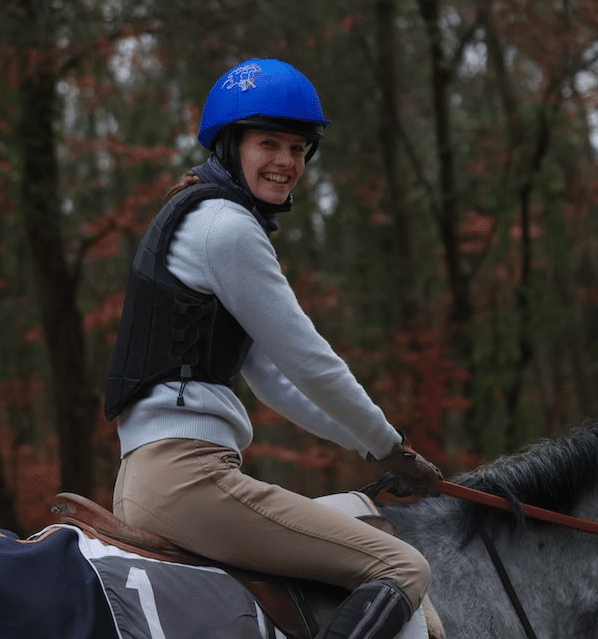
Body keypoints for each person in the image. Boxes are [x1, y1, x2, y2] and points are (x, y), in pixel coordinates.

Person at [105, 58, 441, 639]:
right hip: (190, 480)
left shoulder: (201, 220)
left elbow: (274, 380)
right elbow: (308, 361)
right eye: (269, 143)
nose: (287, 162)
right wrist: (388, 444)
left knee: (360, 524)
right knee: (402, 565)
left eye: (298, 147)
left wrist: (373, 451)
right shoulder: (226, 227)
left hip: (147, 477)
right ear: (232, 146)